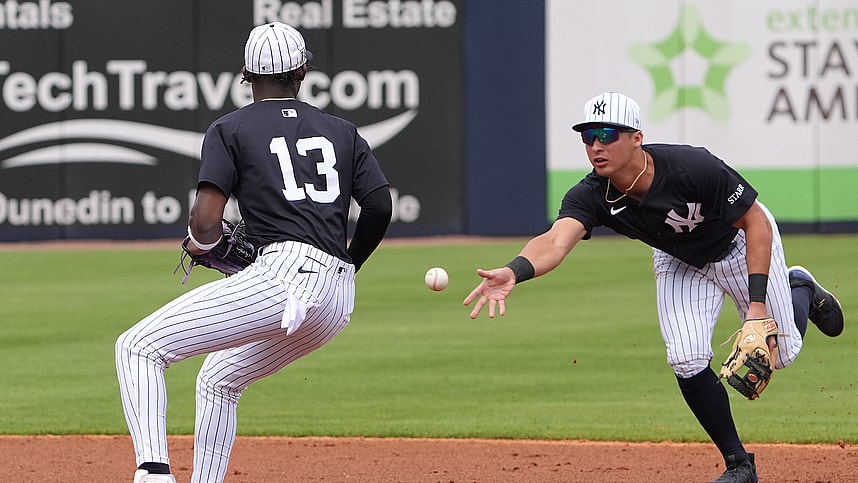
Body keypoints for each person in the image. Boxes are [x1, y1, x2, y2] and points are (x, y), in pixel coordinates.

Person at [463, 91, 844, 483]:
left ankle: (800, 285)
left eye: (607, 134)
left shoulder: (690, 166)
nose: (596, 146)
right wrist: (515, 270)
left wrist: (757, 308)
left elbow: (756, 222)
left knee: (782, 355)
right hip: (679, 260)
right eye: (588, 136)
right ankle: (739, 465)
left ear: (636, 138)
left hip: (740, 244)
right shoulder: (592, 194)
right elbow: (555, 241)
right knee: (686, 357)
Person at [115, 22, 392, 483]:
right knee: (218, 380)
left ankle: (153, 473)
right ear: (303, 70)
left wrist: (202, 246)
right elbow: (379, 206)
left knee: (138, 348)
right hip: (336, 299)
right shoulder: (342, 130)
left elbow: (205, 224)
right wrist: (347, 265)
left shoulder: (231, 128)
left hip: (282, 277)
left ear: (246, 74)